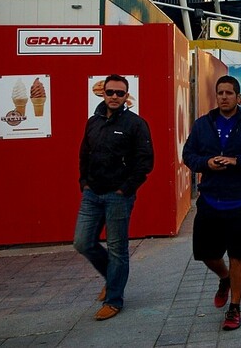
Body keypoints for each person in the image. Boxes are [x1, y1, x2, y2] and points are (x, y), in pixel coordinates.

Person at [182, 75, 241, 331]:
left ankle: (235, 307)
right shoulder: (203, 125)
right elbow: (188, 154)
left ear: (238, 97)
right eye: (220, 93)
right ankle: (224, 278)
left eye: (229, 93)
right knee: (206, 254)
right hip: (210, 199)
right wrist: (206, 163)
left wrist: (238, 162)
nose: (224, 97)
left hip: (240, 200)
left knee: (237, 254)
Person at [74, 74, 154, 321]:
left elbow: (145, 161)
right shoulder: (93, 122)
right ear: (103, 93)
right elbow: (84, 154)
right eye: (111, 92)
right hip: (92, 194)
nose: (115, 97)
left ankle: (114, 300)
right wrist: (84, 183)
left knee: (118, 249)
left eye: (120, 93)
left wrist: (126, 188)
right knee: (82, 242)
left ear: (126, 96)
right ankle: (113, 278)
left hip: (118, 196)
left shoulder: (136, 124)